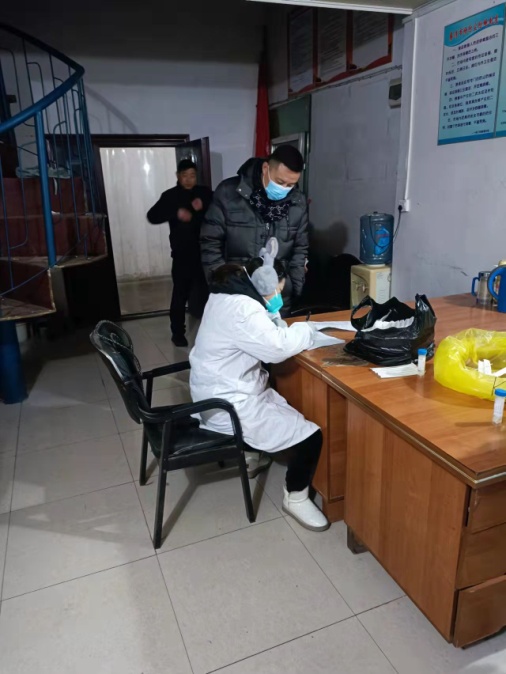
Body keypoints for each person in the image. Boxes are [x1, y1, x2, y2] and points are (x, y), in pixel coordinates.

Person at [189, 245, 329, 532]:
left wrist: (272, 319)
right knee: (311, 437)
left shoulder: (225, 296)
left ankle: (254, 453)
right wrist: (307, 330)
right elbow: (277, 348)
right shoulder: (243, 309)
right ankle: (296, 497)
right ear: (263, 284)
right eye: (277, 291)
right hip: (228, 404)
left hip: (215, 391)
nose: (278, 297)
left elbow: (256, 333)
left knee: (275, 397)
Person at [200, 145, 308, 316]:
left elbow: (300, 249)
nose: (285, 189)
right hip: (236, 296)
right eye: (280, 182)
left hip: (278, 297)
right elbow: (210, 243)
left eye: (291, 185)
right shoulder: (229, 193)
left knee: (276, 333)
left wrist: (294, 287)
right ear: (266, 168)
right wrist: (223, 285)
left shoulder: (297, 202)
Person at [147, 159, 212, 347]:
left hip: (205, 253)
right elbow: (152, 216)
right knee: (180, 294)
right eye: (185, 176)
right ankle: (177, 333)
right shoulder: (170, 196)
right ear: (178, 176)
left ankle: (212, 331)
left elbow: (220, 210)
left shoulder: (204, 193)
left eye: (192, 175)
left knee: (209, 294)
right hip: (182, 254)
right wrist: (176, 213)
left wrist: (204, 205)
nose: (189, 179)